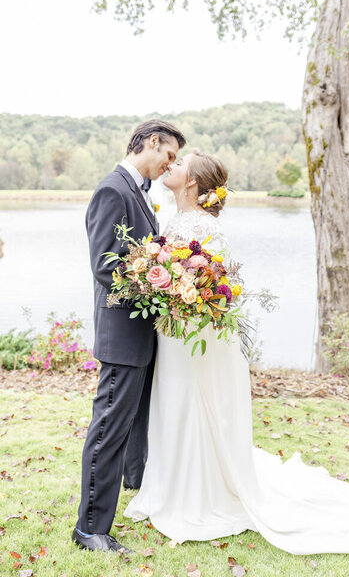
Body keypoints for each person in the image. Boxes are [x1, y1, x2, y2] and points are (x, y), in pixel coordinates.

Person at [124, 151, 349, 555]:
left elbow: (211, 285)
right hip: (176, 333)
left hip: (194, 335)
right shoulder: (180, 220)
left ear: (193, 184)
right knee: (175, 402)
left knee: (191, 402)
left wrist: (178, 293)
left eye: (180, 164)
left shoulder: (203, 225)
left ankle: (199, 493)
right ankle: (173, 483)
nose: (172, 165)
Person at [72, 120, 186, 553]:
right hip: (122, 333)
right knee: (108, 429)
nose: (169, 163)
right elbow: (105, 265)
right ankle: (89, 528)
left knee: (134, 427)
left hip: (141, 334)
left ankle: (139, 489)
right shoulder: (113, 190)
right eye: (169, 154)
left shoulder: (139, 192)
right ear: (152, 142)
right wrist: (165, 281)